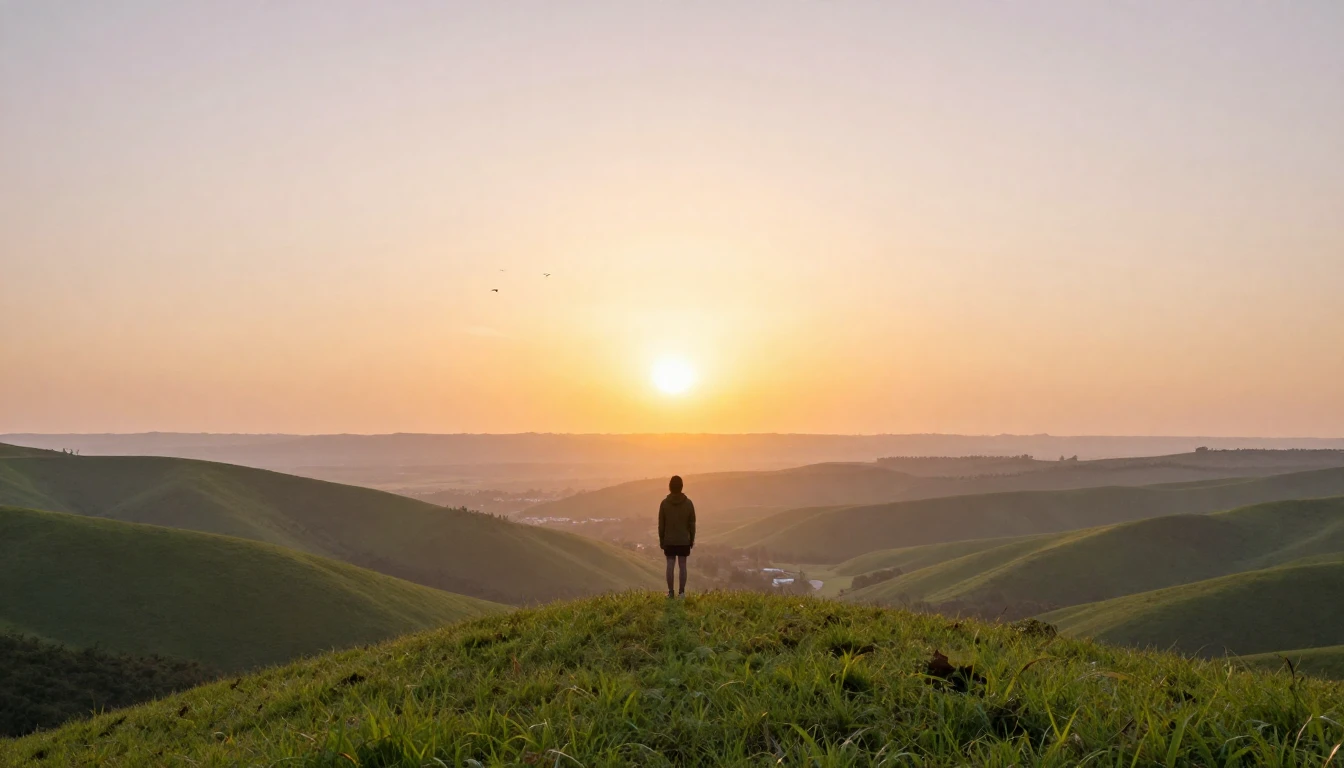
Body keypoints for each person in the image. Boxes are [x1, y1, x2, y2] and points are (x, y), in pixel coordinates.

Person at [658, 474, 695, 598]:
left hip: (669, 540)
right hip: (684, 540)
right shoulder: (688, 504)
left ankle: (670, 592)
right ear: (681, 487)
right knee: (682, 565)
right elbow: (692, 524)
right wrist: (691, 539)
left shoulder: (664, 504)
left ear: (670, 487)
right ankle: (682, 592)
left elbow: (661, 525)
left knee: (670, 564)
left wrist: (662, 540)